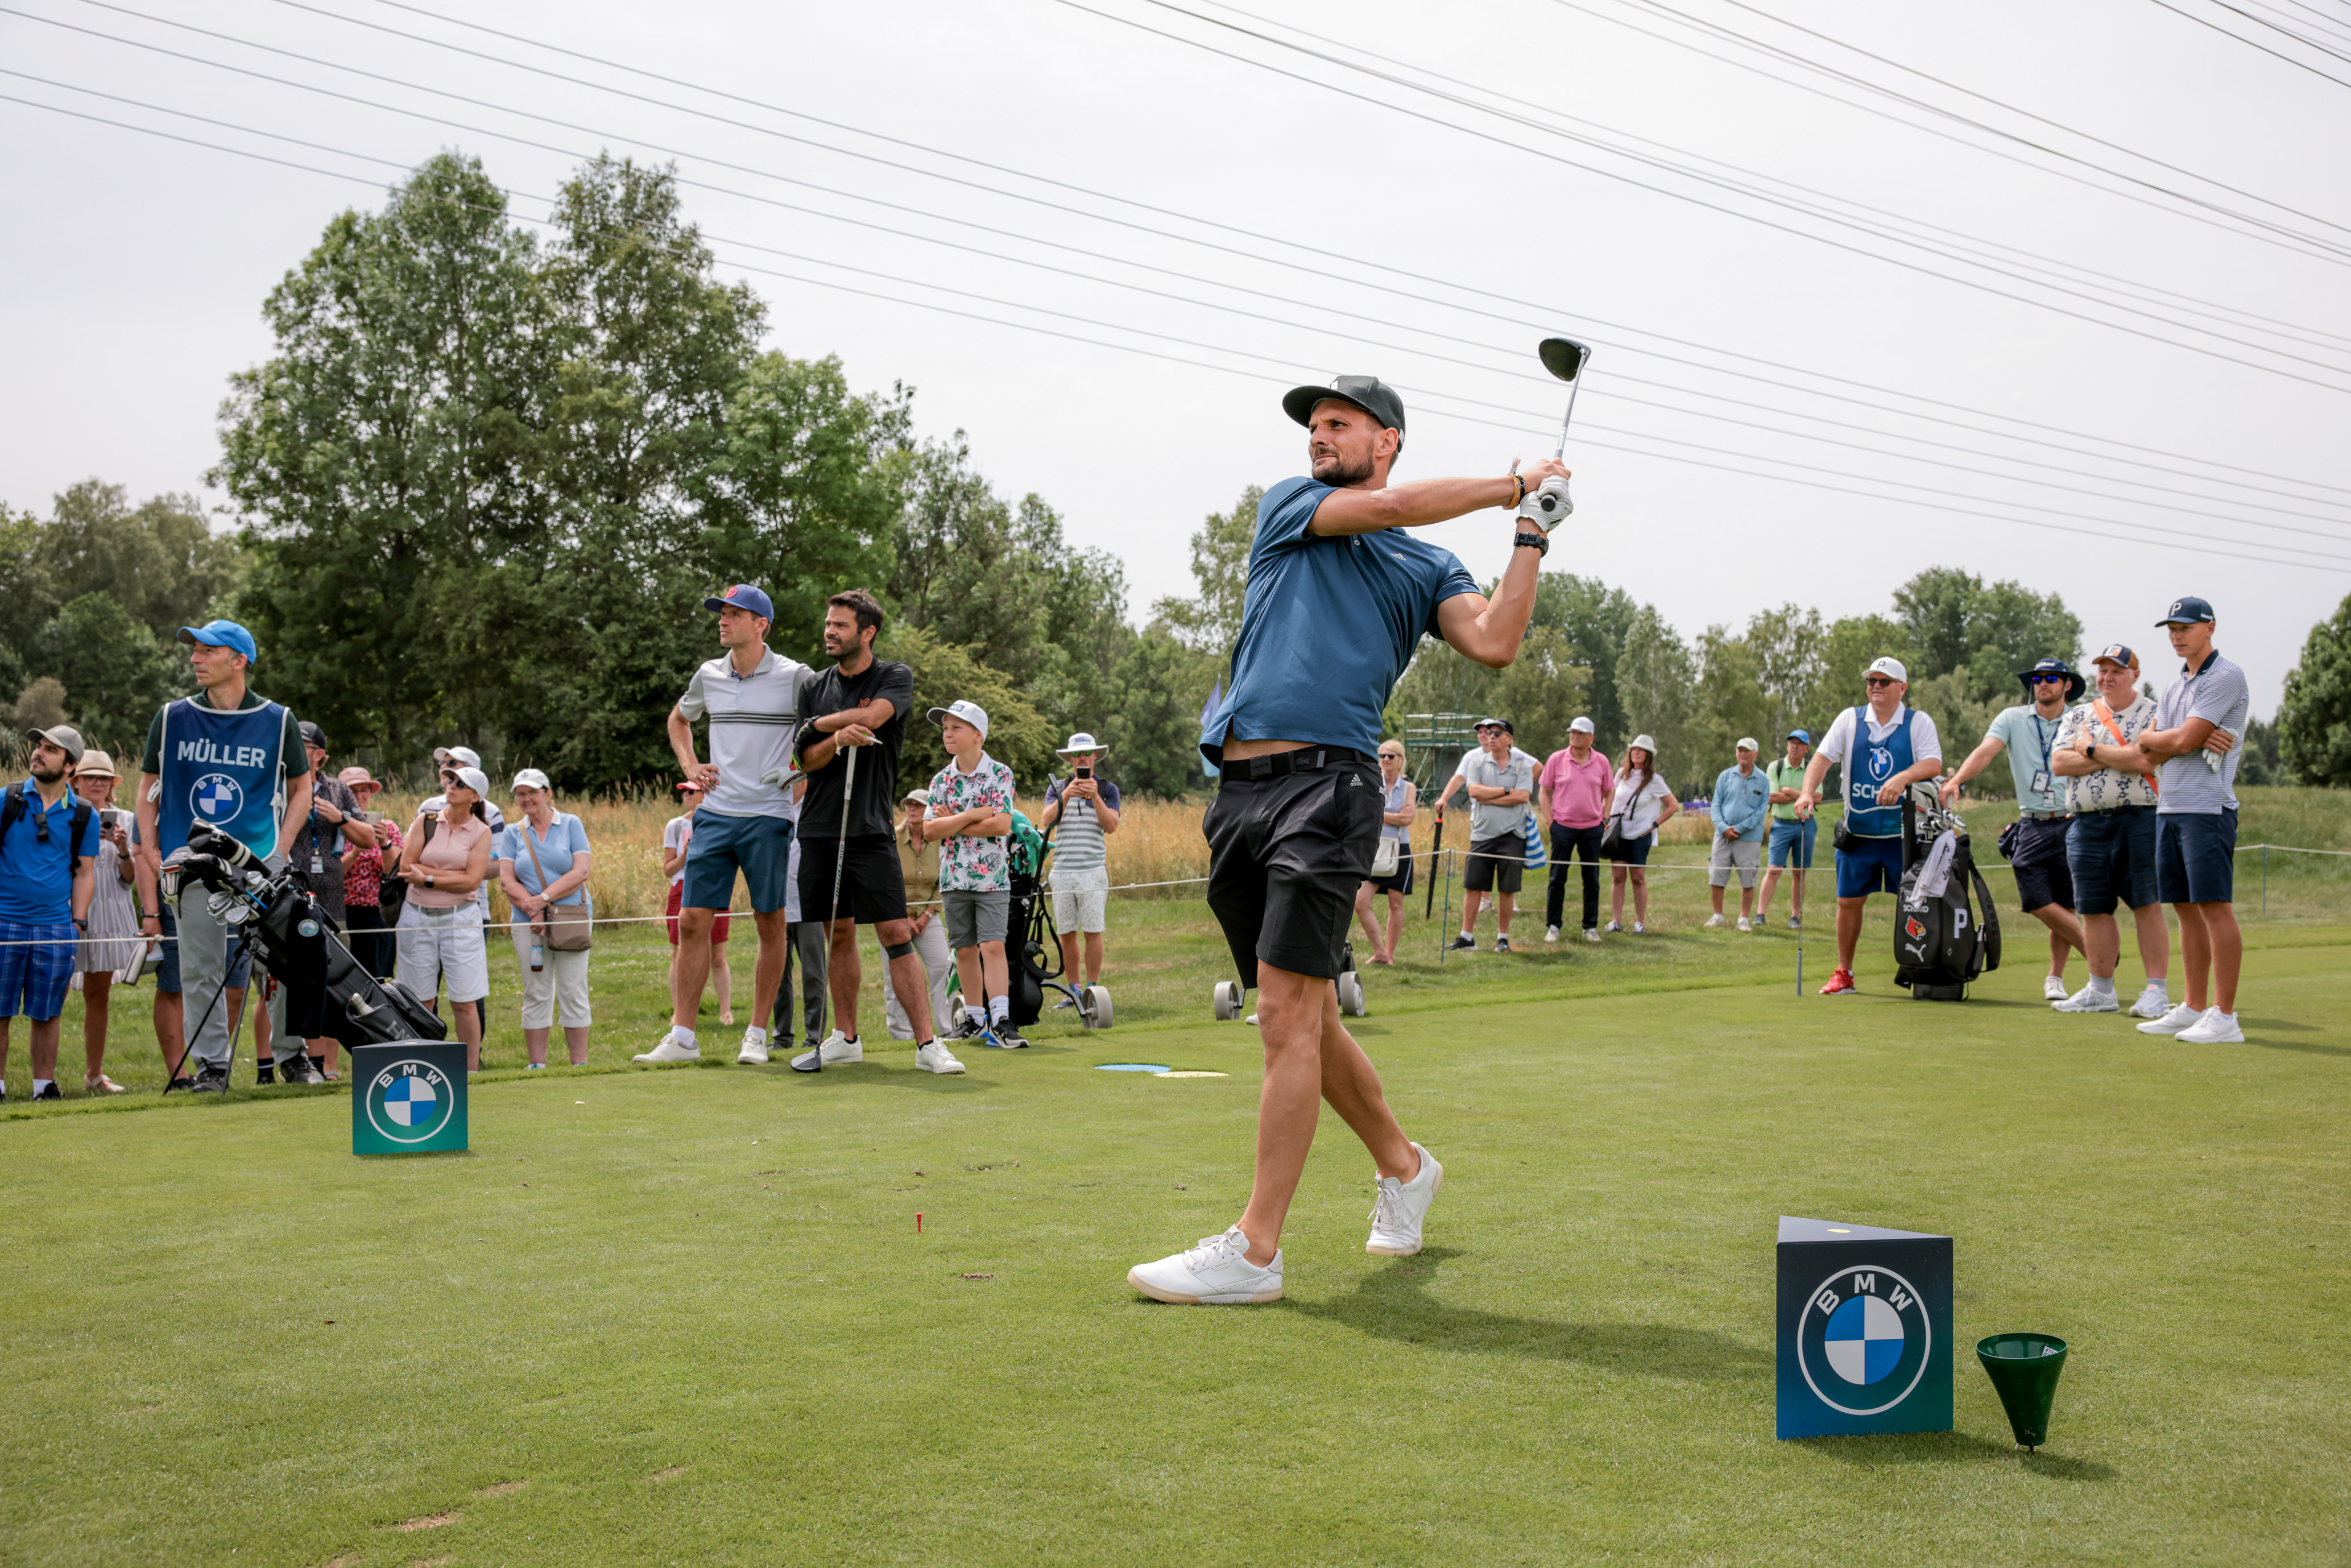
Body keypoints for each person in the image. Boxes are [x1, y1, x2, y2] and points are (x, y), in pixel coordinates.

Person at [1127, 371, 1564, 1306]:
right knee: (1307, 1015)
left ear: (1387, 438)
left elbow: (1493, 640)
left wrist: (1530, 531)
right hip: (1239, 794)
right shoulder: (1292, 505)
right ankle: (1404, 1166)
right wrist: (1508, 485)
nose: (1317, 436)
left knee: (1284, 1016)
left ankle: (1254, 1252)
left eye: (1338, 423)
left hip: (1328, 789)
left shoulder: (1427, 567)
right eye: (1313, 424)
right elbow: (1394, 506)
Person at [134, 619, 318, 1091]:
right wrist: (150, 848)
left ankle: (292, 1055)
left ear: (239, 660)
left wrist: (279, 850)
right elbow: (147, 788)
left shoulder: (278, 719)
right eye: (194, 650)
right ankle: (212, 1067)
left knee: (282, 961)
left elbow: (302, 788)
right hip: (191, 862)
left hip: (260, 862)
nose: (195, 658)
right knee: (200, 967)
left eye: (207, 650)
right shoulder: (172, 717)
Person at [790, 589, 964, 1075]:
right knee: (838, 931)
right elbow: (803, 758)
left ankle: (927, 1044)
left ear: (867, 632)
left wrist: (821, 724)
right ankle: (846, 1037)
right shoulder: (814, 684)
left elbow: (873, 718)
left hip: (869, 828)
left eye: (840, 626)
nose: (830, 632)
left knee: (894, 930)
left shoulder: (893, 675)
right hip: (820, 827)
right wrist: (833, 738)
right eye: (829, 624)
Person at [637, 584, 808, 1068]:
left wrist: (800, 772)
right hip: (714, 813)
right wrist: (691, 765)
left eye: (734, 613)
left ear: (761, 625)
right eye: (721, 613)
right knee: (693, 920)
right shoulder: (709, 674)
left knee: (770, 922)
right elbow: (679, 720)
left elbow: (820, 731)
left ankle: (756, 1035)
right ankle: (683, 1037)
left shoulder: (795, 676)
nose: (722, 620)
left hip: (769, 815)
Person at [2133, 598, 2250, 1044]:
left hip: (2208, 808)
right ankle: (2194, 1006)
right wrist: (2172, 738)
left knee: (2214, 908)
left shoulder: (2226, 676)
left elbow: (2179, 740)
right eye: (2172, 628)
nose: (2177, 635)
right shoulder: (2174, 685)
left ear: (2210, 628)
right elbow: (2149, 749)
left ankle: (2225, 1017)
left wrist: (2174, 738)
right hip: (2170, 807)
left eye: (2186, 627)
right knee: (2183, 908)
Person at [1942, 658, 2092, 1002]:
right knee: (2037, 900)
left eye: (2051, 678)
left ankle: (2055, 977)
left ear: (2067, 685)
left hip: (2074, 819)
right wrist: (1957, 779)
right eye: (2037, 679)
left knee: (2065, 905)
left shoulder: (2081, 718)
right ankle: (2098, 955)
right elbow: (1985, 752)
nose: (2043, 684)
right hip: (2033, 821)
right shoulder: (2012, 718)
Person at [1794, 656, 1944, 996]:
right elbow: (1822, 759)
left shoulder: (1918, 722)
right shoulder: (1850, 719)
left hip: (1903, 835)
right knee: (1848, 902)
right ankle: (1844, 973)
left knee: (1914, 904)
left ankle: (1921, 968)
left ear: (1902, 688)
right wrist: (1806, 792)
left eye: (1884, 681)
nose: (1876, 686)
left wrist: (1903, 777)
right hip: (1859, 833)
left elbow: (1933, 763)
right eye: (1871, 681)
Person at [2049, 644, 2171, 1018]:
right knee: (2094, 907)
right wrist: (2113, 755)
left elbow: (2144, 760)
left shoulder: (2156, 713)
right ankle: (2101, 989)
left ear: (2135, 674)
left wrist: (2089, 749)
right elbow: (2059, 762)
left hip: (2139, 819)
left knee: (2146, 903)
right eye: (2103, 671)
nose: (2107, 677)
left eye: (2117, 671)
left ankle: (2156, 990)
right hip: (2086, 823)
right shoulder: (2079, 714)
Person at [0, 726, 99, 1102]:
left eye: (50, 749)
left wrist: (77, 923)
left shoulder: (84, 814)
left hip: (56, 927)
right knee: (0, 1010)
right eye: (38, 746)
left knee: (47, 1012)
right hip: (4, 922)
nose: (38, 753)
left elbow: (85, 873)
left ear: (70, 765)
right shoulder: (6, 800)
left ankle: (44, 1088)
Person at [923, 699, 1024, 1049]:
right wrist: (970, 815)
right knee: (964, 950)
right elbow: (930, 831)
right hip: (953, 878)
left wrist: (952, 821)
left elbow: (1001, 824)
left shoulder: (1000, 774)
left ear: (978, 735)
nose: (947, 734)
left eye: (956, 728)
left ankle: (1001, 1019)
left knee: (993, 946)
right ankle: (975, 1019)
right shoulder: (941, 780)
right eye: (945, 729)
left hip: (992, 878)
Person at [284, 721, 375, 1077]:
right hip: (289, 897)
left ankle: (328, 1067)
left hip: (332, 900)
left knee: (335, 982)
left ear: (319, 754)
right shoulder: (279, 785)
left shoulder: (338, 790)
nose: (292, 750)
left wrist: (341, 818)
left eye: (302, 745)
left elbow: (367, 838)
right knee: (283, 982)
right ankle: (280, 1064)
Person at [394, 765, 494, 1071]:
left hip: (460, 921)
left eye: (460, 784)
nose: (451, 785)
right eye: (450, 780)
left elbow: (472, 882)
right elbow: (407, 867)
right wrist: (452, 876)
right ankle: (421, 1069)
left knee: (465, 1001)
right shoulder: (426, 821)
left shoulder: (482, 832)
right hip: (417, 917)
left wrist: (429, 879)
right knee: (419, 1000)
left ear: (475, 797)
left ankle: (471, 1071)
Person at [495, 769, 594, 1067]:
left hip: (571, 917)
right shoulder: (513, 832)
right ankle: (537, 1065)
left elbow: (580, 871)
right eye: (520, 794)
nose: (526, 799)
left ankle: (579, 1065)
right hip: (528, 921)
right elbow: (507, 880)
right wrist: (533, 909)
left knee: (573, 988)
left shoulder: (571, 823)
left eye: (532, 792)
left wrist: (543, 900)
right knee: (536, 990)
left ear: (548, 794)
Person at [68, 750, 139, 1094]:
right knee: (53, 992)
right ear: (76, 781)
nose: (97, 783)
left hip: (111, 911)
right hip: (70, 911)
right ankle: (43, 1078)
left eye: (104, 778)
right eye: (90, 776)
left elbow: (130, 878)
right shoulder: (65, 816)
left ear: (112, 784)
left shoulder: (126, 819)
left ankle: (94, 1074)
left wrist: (123, 849)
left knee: (99, 995)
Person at [1440, 717, 1534, 951]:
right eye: (1489, 733)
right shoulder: (1477, 762)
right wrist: (1507, 791)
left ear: (1509, 740)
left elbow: (1523, 796)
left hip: (1513, 835)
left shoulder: (1522, 764)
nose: (1491, 737)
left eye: (1497, 733)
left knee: (1507, 889)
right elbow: (1474, 791)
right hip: (1482, 834)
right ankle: (1467, 938)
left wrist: (1490, 797)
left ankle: (1502, 939)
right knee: (1473, 886)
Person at [1040, 731, 1121, 994]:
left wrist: (1095, 797)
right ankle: (1073, 990)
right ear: (1070, 759)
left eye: (1087, 753)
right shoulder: (1057, 787)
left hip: (1093, 870)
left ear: (1095, 755)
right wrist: (1066, 794)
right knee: (1066, 934)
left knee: (1093, 931)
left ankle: (1091, 990)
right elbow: (1046, 821)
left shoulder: (1107, 789)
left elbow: (1111, 826)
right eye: (1076, 754)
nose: (1082, 758)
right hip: (1062, 871)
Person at [881, 788, 952, 1042]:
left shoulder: (941, 840)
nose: (912, 808)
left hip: (928, 917)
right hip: (893, 917)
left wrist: (927, 915)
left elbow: (945, 880)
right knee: (895, 976)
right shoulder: (891, 838)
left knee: (943, 967)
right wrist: (903, 917)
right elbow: (884, 880)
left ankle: (948, 1029)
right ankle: (902, 1036)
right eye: (908, 804)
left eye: (918, 805)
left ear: (929, 810)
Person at [661, 783, 734, 1027]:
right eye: (684, 791)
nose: (686, 795)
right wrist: (686, 854)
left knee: (718, 955)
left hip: (714, 884)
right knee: (678, 951)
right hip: (681, 887)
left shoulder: (722, 821)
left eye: (691, 791)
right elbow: (668, 870)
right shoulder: (675, 826)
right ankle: (679, 1012)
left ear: (706, 794)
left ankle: (726, 1011)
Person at [1537, 715, 1612, 944]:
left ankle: (1590, 926)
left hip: (1592, 828)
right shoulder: (1556, 759)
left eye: (1580, 734)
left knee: (1592, 880)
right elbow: (1544, 791)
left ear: (1591, 738)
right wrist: (1550, 821)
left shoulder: (1601, 761)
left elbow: (1609, 792)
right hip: (1563, 827)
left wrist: (1605, 817)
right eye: (1572, 733)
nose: (1575, 737)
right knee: (1557, 878)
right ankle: (1553, 926)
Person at [1604, 735, 1677, 934]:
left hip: (1640, 836)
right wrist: (1605, 819)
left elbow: (1673, 806)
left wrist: (1654, 825)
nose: (1636, 752)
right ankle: (1616, 921)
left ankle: (1639, 922)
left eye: (1641, 750)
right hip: (1618, 833)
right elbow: (1610, 797)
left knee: (1638, 878)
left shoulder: (1655, 781)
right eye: (1634, 749)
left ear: (1648, 755)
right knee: (1618, 877)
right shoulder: (1621, 774)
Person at [1353, 740, 1417, 964]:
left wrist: (1379, 813)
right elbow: (1363, 812)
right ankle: (1379, 952)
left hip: (1400, 848)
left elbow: (1408, 819)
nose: (1386, 760)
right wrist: (1394, 816)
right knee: (1360, 903)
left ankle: (1389, 954)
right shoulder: (1372, 782)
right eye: (1383, 756)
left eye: (1391, 756)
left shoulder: (1409, 787)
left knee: (1396, 903)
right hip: (1373, 847)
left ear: (1401, 760)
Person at [336, 766, 402, 980]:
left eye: (364, 790)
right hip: (343, 910)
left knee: (377, 975)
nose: (359, 796)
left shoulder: (388, 827)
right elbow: (332, 875)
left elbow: (393, 873)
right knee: (345, 975)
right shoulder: (334, 827)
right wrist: (356, 851)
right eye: (352, 791)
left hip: (378, 910)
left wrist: (384, 843)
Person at [1706, 738, 1771, 931]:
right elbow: (1716, 805)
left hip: (1749, 838)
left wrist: (1739, 829)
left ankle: (1743, 919)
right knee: (1717, 876)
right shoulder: (1725, 776)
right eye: (1740, 750)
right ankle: (1717, 916)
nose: (1743, 754)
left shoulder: (1763, 780)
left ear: (1755, 754)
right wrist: (1723, 827)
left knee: (1748, 879)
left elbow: (1760, 812)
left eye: (1747, 751)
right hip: (1722, 836)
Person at [1757, 731, 1815, 930]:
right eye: (1792, 743)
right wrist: (1804, 796)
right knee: (1773, 870)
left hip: (1805, 824)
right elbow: (1772, 797)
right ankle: (1760, 914)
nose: (1795, 747)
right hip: (1781, 824)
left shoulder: (1812, 768)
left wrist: (1788, 791)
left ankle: (1795, 916)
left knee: (1799, 873)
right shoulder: (1776, 766)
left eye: (1800, 744)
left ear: (1807, 748)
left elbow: (1817, 797)